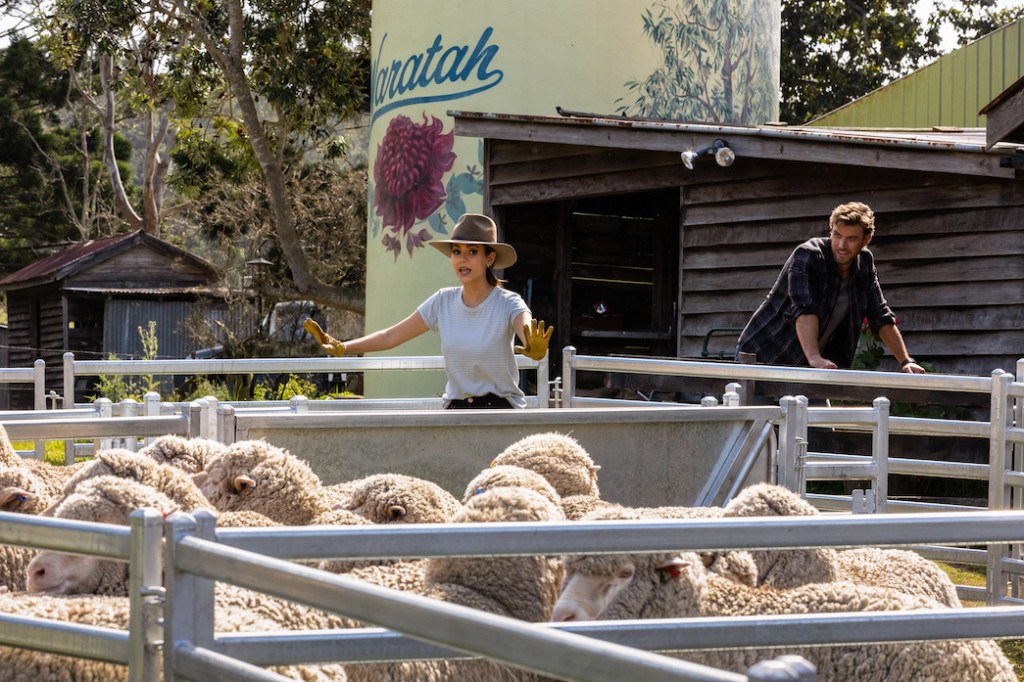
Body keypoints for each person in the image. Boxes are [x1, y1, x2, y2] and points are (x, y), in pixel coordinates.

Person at [304, 213, 553, 408]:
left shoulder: (509, 303)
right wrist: (343, 347)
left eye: (472, 252)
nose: (461, 259)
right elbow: (391, 336)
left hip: (502, 412)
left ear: (489, 259)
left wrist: (533, 345)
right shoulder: (442, 302)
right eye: (457, 252)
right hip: (456, 412)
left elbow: (527, 328)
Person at [736, 201, 924, 373]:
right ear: (831, 230)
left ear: (866, 240)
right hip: (764, 356)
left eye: (851, 239)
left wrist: (906, 361)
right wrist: (814, 357)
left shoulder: (864, 263)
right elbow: (803, 308)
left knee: (819, 411)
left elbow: (880, 315)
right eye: (837, 235)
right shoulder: (808, 255)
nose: (842, 245)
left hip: (812, 365)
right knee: (760, 411)